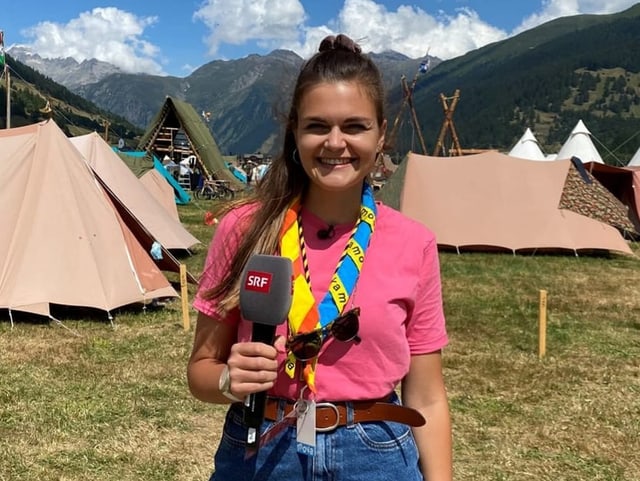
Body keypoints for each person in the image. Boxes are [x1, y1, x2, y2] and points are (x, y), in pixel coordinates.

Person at [187, 33, 452, 481]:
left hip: (377, 452)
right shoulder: (245, 230)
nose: (335, 143)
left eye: (354, 126)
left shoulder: (415, 243)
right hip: (262, 447)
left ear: (381, 134)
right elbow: (200, 372)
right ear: (294, 131)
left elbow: (426, 397)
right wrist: (228, 381)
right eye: (317, 126)